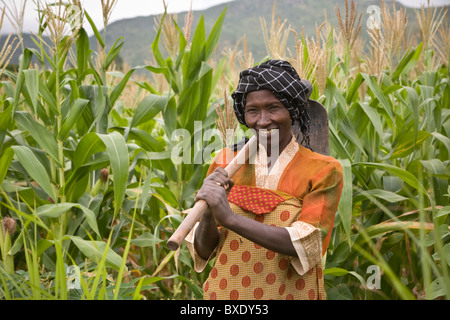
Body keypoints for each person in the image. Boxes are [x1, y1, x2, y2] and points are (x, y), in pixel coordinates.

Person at [185, 59, 343, 300]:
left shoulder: (323, 169)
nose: (262, 120)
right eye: (253, 110)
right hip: (227, 294)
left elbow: (306, 245)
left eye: (274, 108)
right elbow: (204, 250)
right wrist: (209, 210)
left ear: (292, 110)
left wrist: (229, 217)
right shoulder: (225, 162)